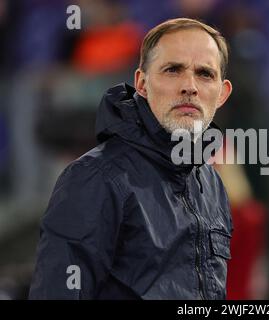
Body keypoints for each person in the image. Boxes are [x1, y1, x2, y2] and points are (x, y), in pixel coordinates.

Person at [28, 18, 233, 299]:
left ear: (222, 94)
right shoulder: (95, 177)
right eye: (173, 70)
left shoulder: (212, 185)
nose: (189, 86)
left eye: (205, 74)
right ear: (142, 84)